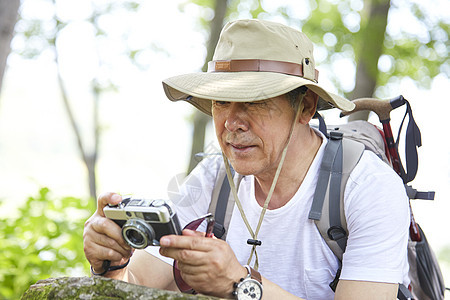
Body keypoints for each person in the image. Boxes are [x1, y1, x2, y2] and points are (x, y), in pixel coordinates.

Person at [83, 19, 410, 299]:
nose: (232, 123)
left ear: (306, 107)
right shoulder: (215, 176)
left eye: (255, 101)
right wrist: (112, 262)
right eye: (221, 102)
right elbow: (137, 286)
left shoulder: (368, 188)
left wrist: (240, 284)